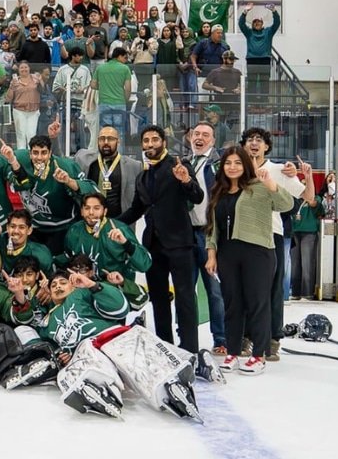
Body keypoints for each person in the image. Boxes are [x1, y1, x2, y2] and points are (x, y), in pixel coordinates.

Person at [19, 269, 204, 421]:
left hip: (111, 337)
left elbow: (120, 307)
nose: (58, 286)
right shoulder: (48, 323)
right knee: (82, 360)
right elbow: (47, 346)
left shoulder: (82, 294)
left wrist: (93, 286)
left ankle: (172, 375)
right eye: (53, 285)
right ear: (49, 295)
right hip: (87, 348)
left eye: (62, 283)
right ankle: (94, 386)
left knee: (138, 352)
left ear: (72, 285)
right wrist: (62, 355)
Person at [205, 146, 295, 375]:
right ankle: (232, 352)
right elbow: (212, 227)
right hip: (228, 253)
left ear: (245, 164)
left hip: (258, 252)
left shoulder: (259, 187)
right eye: (228, 163)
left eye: (237, 162)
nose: (232, 167)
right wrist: (212, 253)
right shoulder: (219, 191)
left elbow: (287, 205)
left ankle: (259, 355)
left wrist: (270, 184)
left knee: (258, 304)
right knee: (233, 304)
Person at [118, 126, 204, 353]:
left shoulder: (179, 166)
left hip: (180, 244)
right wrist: (111, 222)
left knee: (185, 298)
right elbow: (136, 210)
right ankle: (165, 346)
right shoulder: (142, 177)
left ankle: (190, 349)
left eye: (155, 140)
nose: (150, 144)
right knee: (158, 299)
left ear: (164, 142)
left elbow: (197, 196)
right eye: (146, 141)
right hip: (153, 247)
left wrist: (186, 181)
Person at [239, 127, 305, 360]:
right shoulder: (236, 168)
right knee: (244, 289)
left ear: (267, 146)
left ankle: (272, 338)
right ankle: (245, 336)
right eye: (249, 140)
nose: (254, 143)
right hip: (242, 235)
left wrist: (299, 173)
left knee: (273, 288)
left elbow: (304, 195)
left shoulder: (278, 169)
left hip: (271, 234)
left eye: (259, 140)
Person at [4, 135, 96, 254]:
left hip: (62, 227)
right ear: (30, 153)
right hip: (35, 227)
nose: (39, 157)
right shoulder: (18, 158)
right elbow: (15, 180)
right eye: (35, 153)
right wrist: (12, 161)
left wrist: (69, 181)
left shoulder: (65, 166)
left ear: (50, 153)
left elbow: (93, 191)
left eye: (44, 153)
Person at [183, 122, 226, 353]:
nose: (200, 138)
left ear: (213, 140)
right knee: (186, 289)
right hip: (186, 235)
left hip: (210, 234)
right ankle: (186, 339)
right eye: (196, 133)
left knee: (215, 291)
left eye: (205, 135)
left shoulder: (219, 165)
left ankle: (221, 340)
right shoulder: (183, 163)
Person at [59, 191, 152, 282]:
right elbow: (66, 259)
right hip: (83, 286)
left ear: (105, 211)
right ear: (82, 211)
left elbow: (144, 265)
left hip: (115, 287)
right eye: (87, 208)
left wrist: (126, 243)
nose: (91, 212)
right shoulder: (74, 230)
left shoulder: (121, 230)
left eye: (96, 208)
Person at [80, 126, 143, 219]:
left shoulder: (134, 166)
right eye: (102, 139)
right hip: (91, 221)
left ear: (118, 141)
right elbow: (63, 164)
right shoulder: (85, 161)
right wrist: (55, 139)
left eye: (110, 139)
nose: (106, 142)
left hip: (120, 223)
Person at [238, 3, 280, 103]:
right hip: (251, 59)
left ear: (262, 23)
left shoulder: (268, 32)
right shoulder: (249, 32)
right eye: (255, 22)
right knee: (251, 82)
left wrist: (274, 11)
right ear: (252, 24)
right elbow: (241, 24)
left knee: (264, 82)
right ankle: (252, 102)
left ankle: (264, 102)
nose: (257, 23)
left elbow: (277, 23)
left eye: (259, 22)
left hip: (265, 59)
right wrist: (245, 12)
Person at [291, 170, 323, 301]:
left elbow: (319, 209)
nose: (303, 187)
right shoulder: (295, 199)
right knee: (295, 264)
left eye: (306, 184)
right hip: (295, 232)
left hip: (309, 232)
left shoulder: (315, 199)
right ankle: (296, 292)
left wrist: (311, 201)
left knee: (307, 262)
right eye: (301, 184)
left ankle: (307, 292)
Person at [90, 47, 132, 139]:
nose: (125, 60)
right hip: (119, 102)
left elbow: (92, 85)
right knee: (119, 132)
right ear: (119, 56)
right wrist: (126, 99)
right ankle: (119, 152)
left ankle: (105, 151)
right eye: (125, 58)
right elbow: (128, 88)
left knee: (105, 131)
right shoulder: (125, 69)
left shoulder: (100, 68)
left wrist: (102, 87)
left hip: (104, 103)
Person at [4, 61, 44, 149]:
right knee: (21, 134)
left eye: (26, 67)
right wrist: (12, 87)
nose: (24, 69)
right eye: (22, 67)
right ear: (18, 70)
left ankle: (32, 154)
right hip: (19, 111)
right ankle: (21, 155)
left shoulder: (35, 78)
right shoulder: (15, 81)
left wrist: (40, 80)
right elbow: (8, 98)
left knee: (32, 134)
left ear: (29, 68)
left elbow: (42, 90)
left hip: (33, 111)